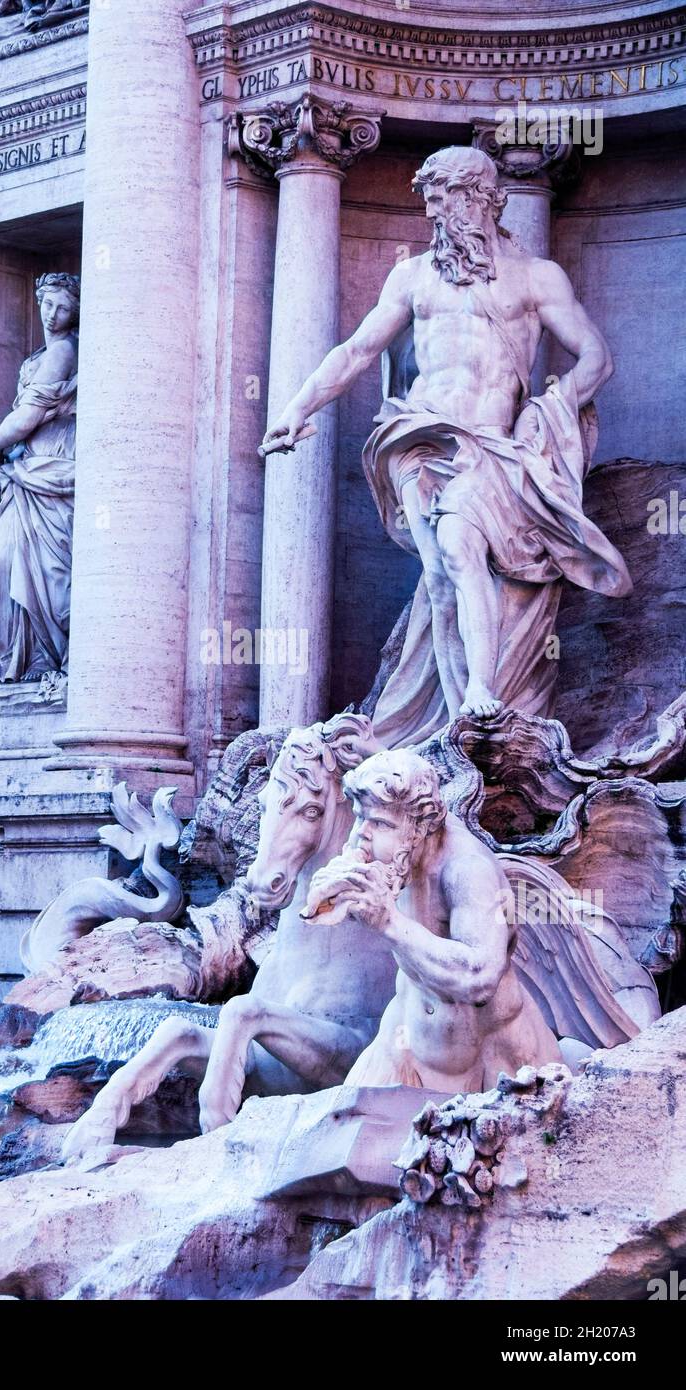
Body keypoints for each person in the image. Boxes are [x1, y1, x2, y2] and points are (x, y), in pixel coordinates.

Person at [262, 145, 631, 743]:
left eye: (445, 201)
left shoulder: (536, 278)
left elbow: (596, 358)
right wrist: (298, 408)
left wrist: (551, 408)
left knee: (459, 546)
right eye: (430, 205)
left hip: (490, 446)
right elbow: (356, 350)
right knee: (437, 574)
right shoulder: (411, 278)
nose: (436, 217)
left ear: (481, 198)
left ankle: (483, 692)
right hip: (417, 436)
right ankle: (458, 715)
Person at [302, 748, 562, 1092]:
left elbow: (480, 976)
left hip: (492, 1065)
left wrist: (388, 922)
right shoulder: (394, 854)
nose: (363, 833)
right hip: (402, 1042)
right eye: (361, 816)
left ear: (420, 827)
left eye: (380, 823)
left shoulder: (467, 870)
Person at [0, 271, 79, 687]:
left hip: (51, 462)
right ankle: (17, 660)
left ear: (76, 313)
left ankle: (45, 660)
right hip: (26, 467)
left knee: (51, 569)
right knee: (4, 556)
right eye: (47, 303)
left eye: (63, 307)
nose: (52, 314)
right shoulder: (36, 356)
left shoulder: (64, 352)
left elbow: (30, 414)